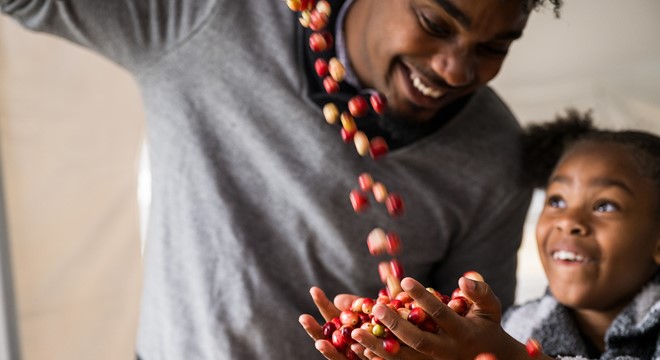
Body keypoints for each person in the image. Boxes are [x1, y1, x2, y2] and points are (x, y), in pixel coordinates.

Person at [1, 0, 559, 358]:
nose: (457, 70)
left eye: (493, 48)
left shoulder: (496, 154)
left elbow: (471, 331)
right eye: (435, 24)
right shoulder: (213, 18)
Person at [321, 111, 660, 359]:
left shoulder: (503, 340)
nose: (568, 221)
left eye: (605, 206)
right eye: (556, 200)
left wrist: (507, 355)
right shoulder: (519, 324)